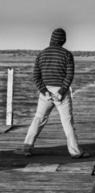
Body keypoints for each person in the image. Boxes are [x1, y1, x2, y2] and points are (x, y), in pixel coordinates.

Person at [15, 28, 89, 158]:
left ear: (51, 39)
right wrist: (61, 92)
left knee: (38, 119)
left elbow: (36, 76)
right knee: (67, 122)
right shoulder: (67, 54)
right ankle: (75, 152)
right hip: (62, 92)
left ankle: (26, 148)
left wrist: (44, 91)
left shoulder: (42, 54)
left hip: (46, 92)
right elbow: (69, 75)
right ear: (63, 40)